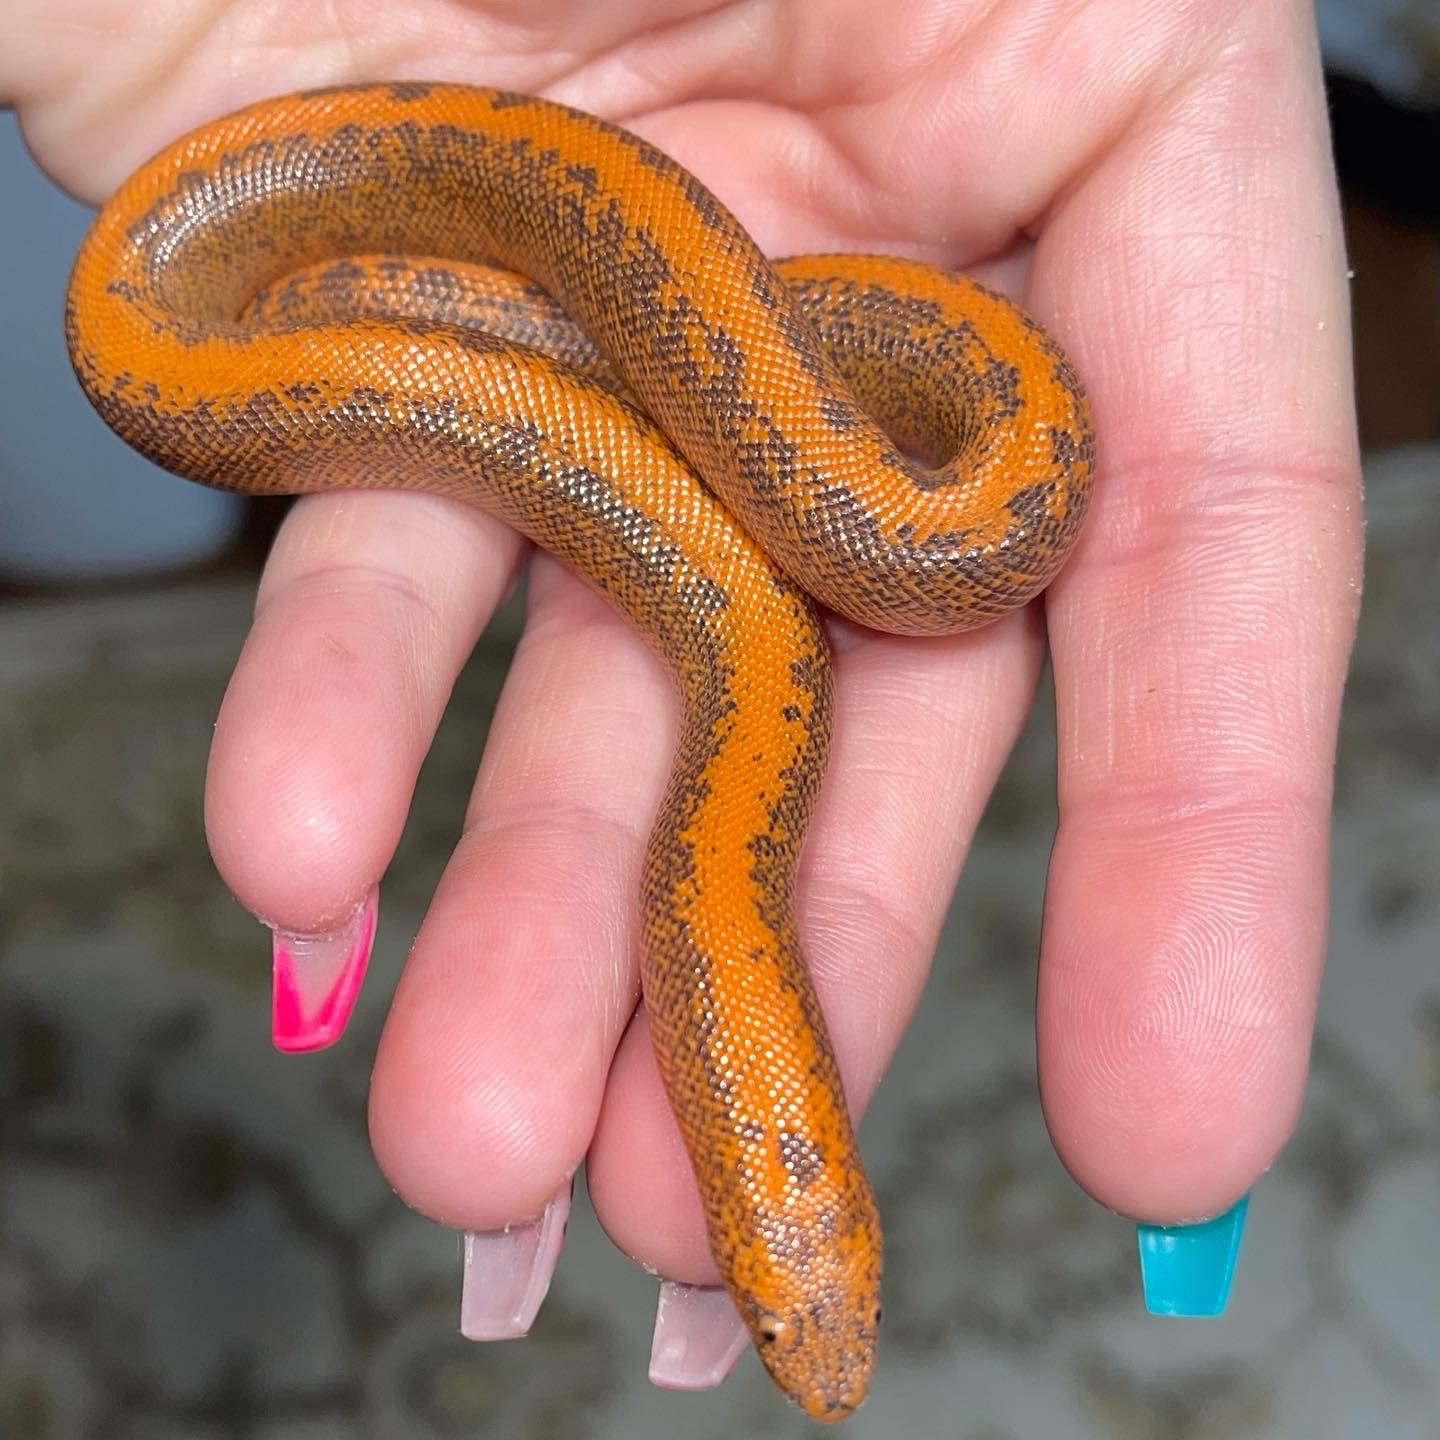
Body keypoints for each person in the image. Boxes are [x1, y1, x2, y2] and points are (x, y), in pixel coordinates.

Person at [2, 0, 1361, 1380]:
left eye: (794, 1320)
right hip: (242, 271)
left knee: (919, 541)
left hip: (630, 355)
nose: (814, 1367)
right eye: (798, 1317)